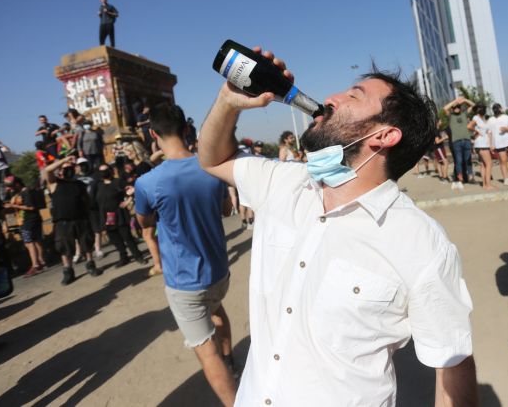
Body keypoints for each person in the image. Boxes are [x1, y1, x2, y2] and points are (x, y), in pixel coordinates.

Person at [198, 46, 477, 406]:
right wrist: (229, 101)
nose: (331, 98)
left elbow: (452, 362)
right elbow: (212, 159)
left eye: (353, 96)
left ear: (385, 136)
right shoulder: (285, 182)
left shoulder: (419, 240)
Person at [134, 103, 237, 405]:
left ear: (152, 133)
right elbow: (226, 209)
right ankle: (231, 362)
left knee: (207, 354)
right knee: (217, 311)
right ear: (186, 129)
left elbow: (144, 222)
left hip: (185, 283)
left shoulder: (147, 183)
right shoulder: (210, 166)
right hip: (219, 273)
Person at [42, 155, 103, 285]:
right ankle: (68, 271)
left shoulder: (79, 184)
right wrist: (64, 160)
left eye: (70, 168)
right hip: (63, 221)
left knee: (86, 242)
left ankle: (90, 265)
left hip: (81, 218)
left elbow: (86, 199)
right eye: (65, 168)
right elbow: (47, 170)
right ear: (60, 170)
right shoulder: (54, 183)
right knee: (64, 247)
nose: (68, 170)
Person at [95, 163, 146, 267]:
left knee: (127, 235)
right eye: (101, 171)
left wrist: (127, 201)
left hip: (119, 213)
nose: (104, 173)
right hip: (108, 215)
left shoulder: (118, 182)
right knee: (114, 236)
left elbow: (132, 190)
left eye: (106, 170)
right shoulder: (98, 185)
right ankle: (123, 257)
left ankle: (137, 255)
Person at [3, 177, 47, 277]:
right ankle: (41, 261)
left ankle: (35, 265)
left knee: (29, 242)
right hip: (29, 220)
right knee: (36, 241)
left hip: (28, 220)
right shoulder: (20, 193)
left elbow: (31, 207)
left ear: (17, 184)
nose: (10, 188)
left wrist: (13, 206)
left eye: (11, 186)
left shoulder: (26, 192)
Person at [443, 95, 476, 188]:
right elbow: (445, 108)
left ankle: (470, 176)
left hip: (466, 140)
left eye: (458, 107)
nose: (456, 108)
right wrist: (455, 101)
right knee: (458, 160)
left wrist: (464, 100)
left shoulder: (464, 114)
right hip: (456, 142)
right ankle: (460, 177)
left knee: (468, 160)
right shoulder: (451, 116)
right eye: (455, 107)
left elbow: (473, 106)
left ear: (460, 108)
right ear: (453, 109)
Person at [467, 104, 496, 190]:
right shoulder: (476, 118)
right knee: (489, 163)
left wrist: (491, 145)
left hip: (484, 143)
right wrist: (477, 131)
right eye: (480, 108)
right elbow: (469, 126)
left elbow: (489, 132)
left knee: (483, 165)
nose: (482, 109)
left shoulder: (484, 119)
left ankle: (484, 185)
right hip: (481, 143)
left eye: (483, 108)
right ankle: (488, 185)